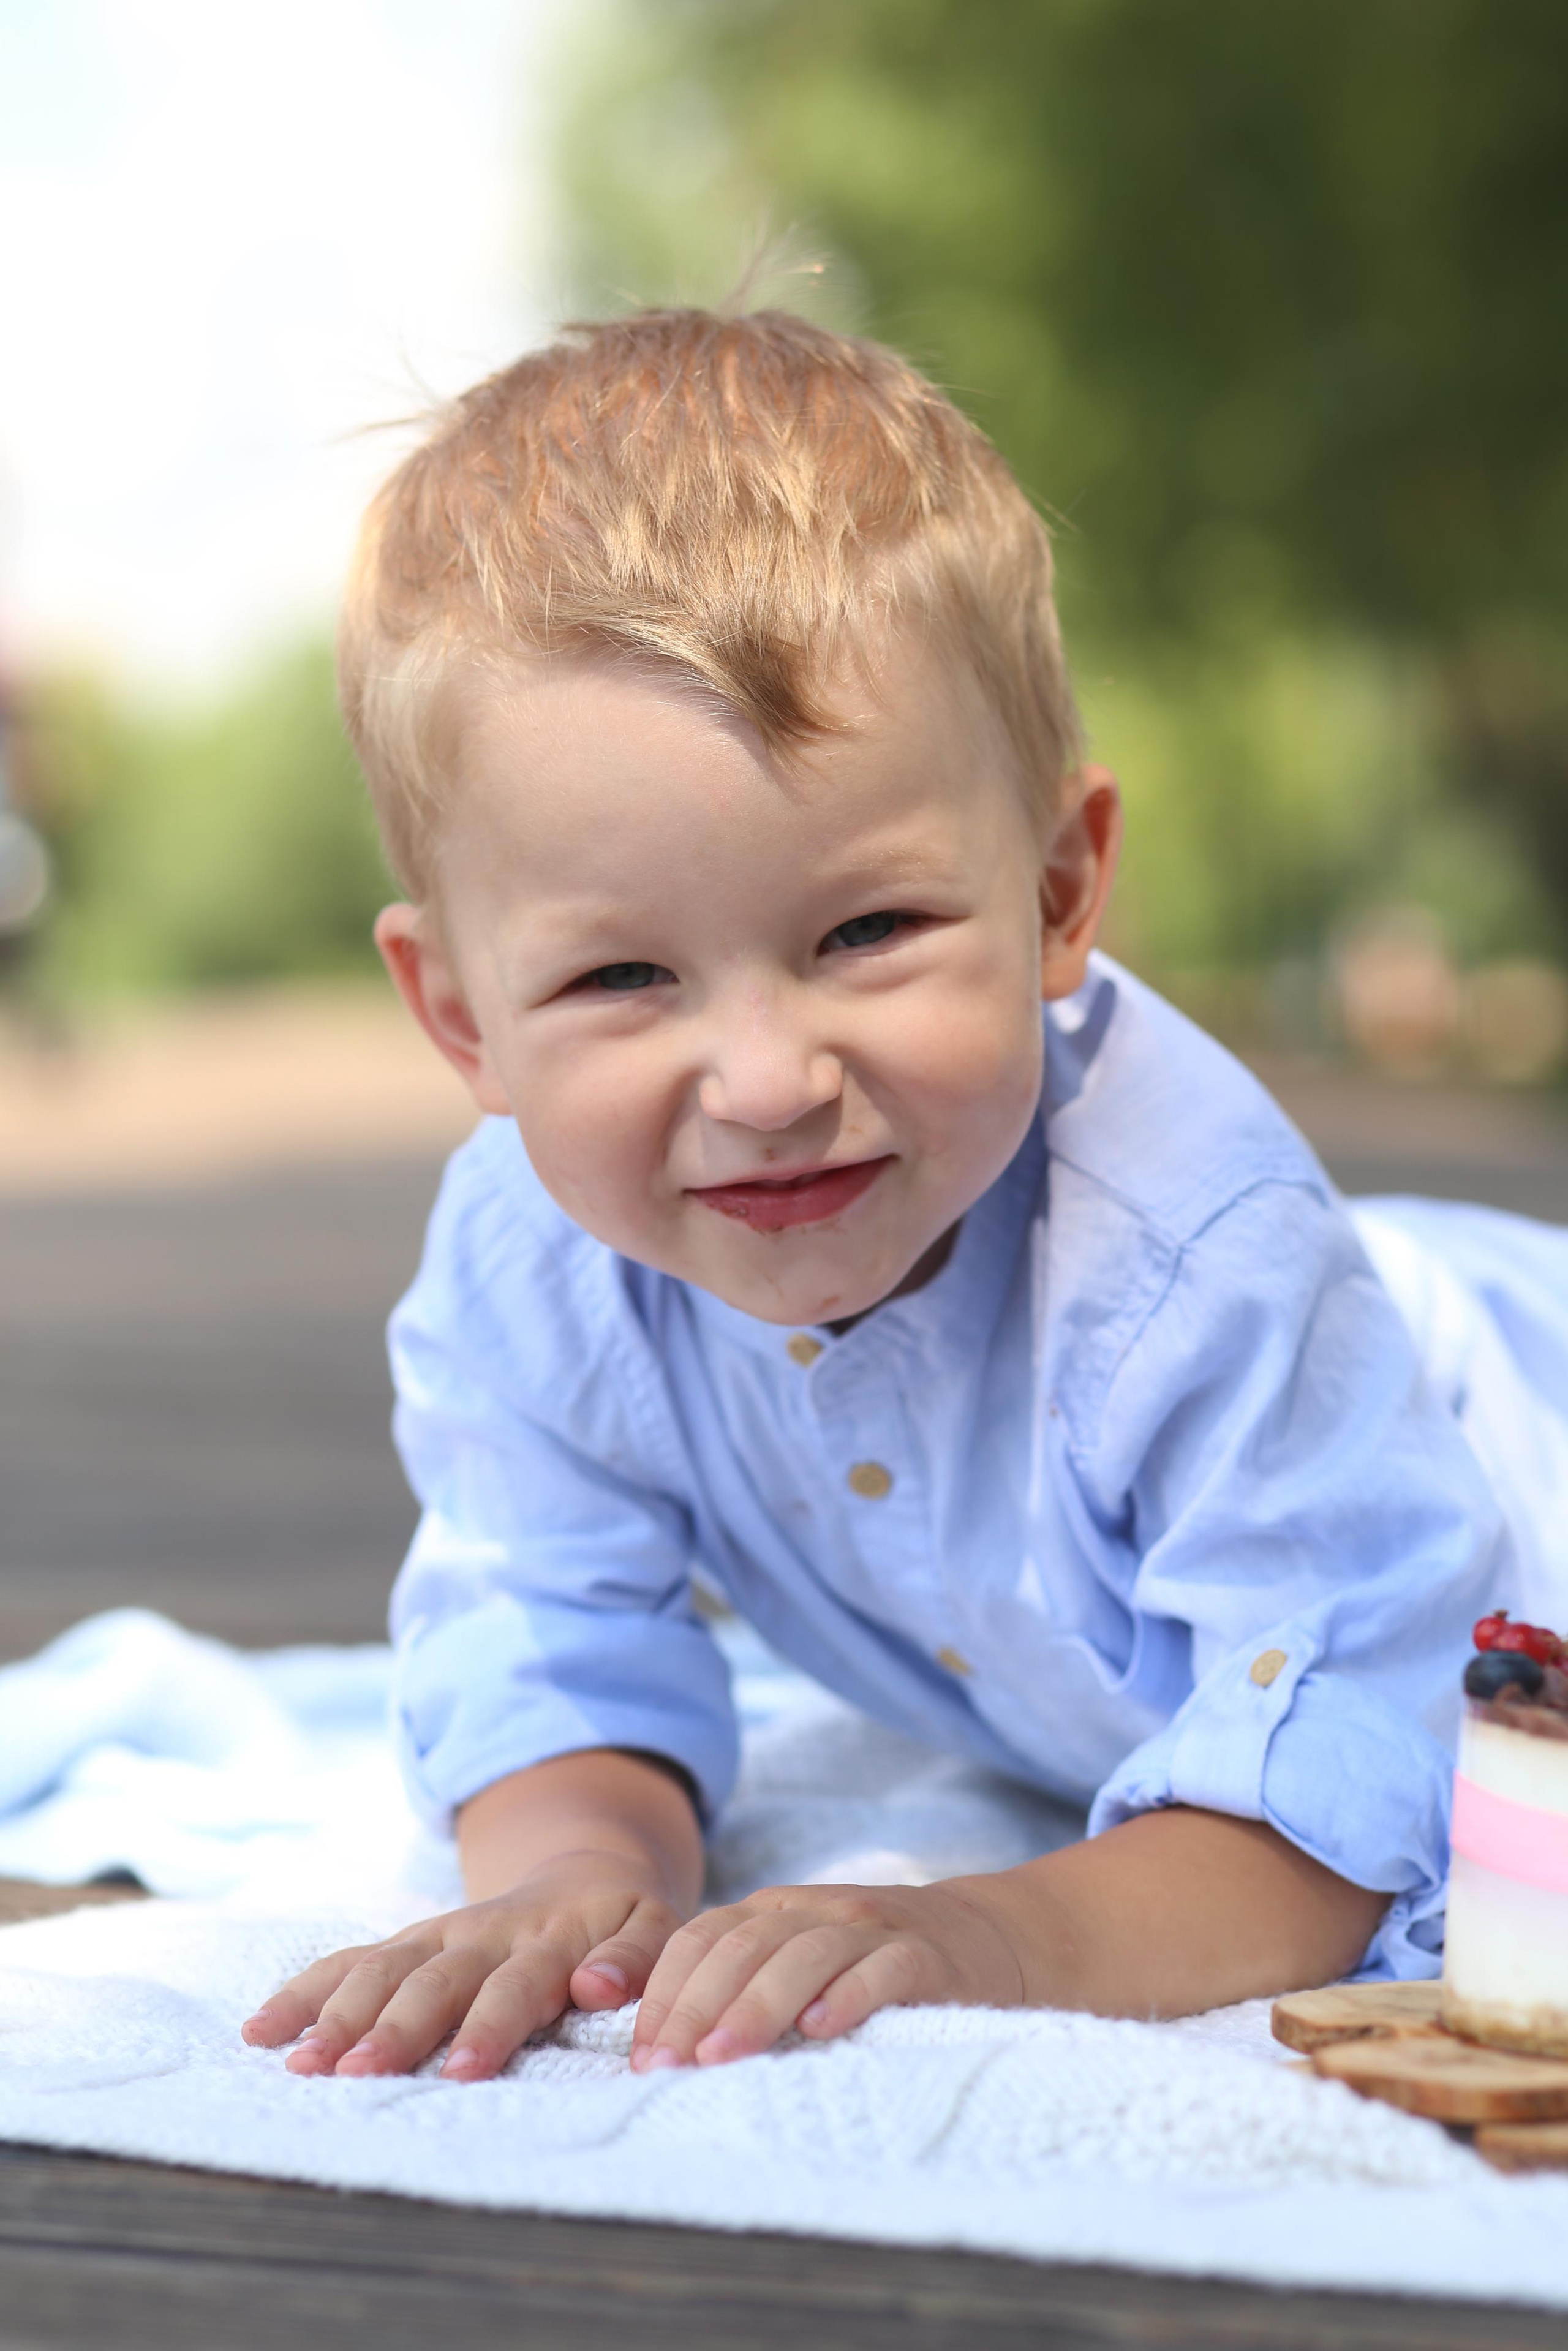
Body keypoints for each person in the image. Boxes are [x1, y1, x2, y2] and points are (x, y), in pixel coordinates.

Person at [242, 305, 1568, 2085]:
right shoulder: (533, 1261)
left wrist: (990, 1928)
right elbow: (538, 1614)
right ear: (464, 1017)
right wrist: (578, 1875)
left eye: (866, 932)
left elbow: (1362, 1768)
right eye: (622, 980)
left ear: (1056, 891)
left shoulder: (1196, 1257)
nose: (772, 1081)